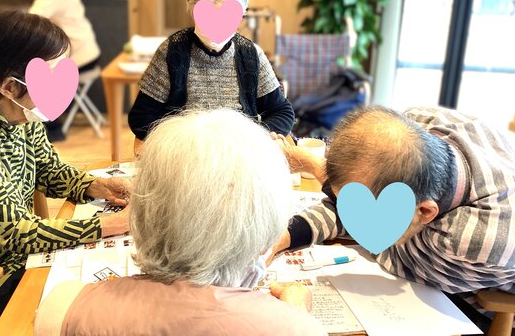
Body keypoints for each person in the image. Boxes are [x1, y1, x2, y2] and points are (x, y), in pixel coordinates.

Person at [0, 11, 130, 325]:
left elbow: (48, 169)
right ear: (9, 86)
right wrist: (110, 225)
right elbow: (16, 234)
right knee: (100, 307)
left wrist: (96, 186)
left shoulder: (17, 113)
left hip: (10, 257)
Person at [35, 109, 327, 336]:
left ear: (142, 214)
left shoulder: (62, 309)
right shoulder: (298, 327)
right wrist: (296, 314)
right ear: (265, 233)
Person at [271, 106, 515, 330]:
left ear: (424, 212)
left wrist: (315, 167)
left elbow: (386, 249)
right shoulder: (418, 123)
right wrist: (286, 236)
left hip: (482, 305)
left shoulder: (474, 238)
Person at [128, 0, 294, 151]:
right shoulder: (171, 52)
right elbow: (141, 117)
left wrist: (255, 136)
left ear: (241, 14)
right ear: (192, 9)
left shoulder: (251, 55)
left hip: (240, 152)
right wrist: (183, 141)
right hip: (186, 151)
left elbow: (282, 111)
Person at [23, 0, 101, 141]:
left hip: (79, 56)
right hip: (87, 51)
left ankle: (53, 128)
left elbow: (32, 21)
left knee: (31, 72)